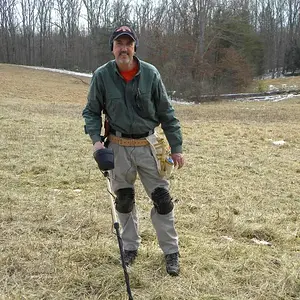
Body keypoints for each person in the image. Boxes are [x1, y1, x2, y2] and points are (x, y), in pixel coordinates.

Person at [82, 25, 184, 276]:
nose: (124, 48)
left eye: (128, 44)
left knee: (162, 200)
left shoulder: (151, 74)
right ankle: (130, 247)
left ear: (135, 47)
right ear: (113, 48)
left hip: (149, 146)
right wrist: (97, 144)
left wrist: (177, 147)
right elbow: (91, 112)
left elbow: (166, 113)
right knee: (124, 201)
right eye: (119, 44)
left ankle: (171, 252)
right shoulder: (102, 76)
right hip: (117, 147)